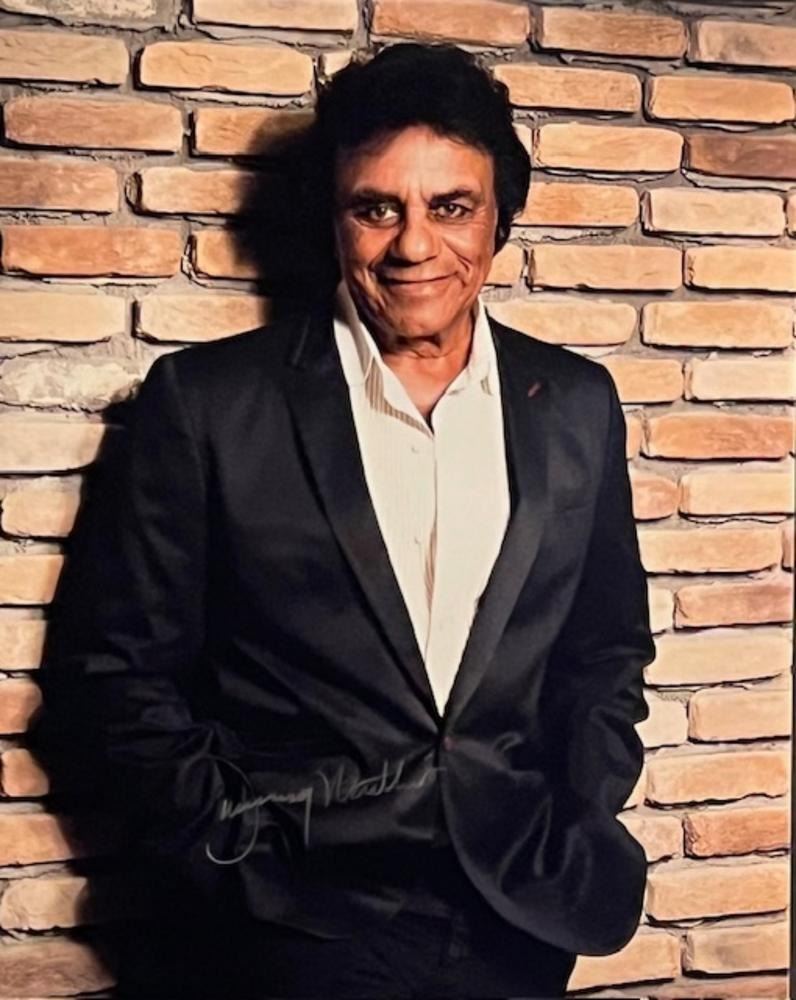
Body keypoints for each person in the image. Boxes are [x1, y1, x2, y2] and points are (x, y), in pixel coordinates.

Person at [30, 42, 655, 999]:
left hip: (519, 915)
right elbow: (114, 675)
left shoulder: (575, 401)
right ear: (333, 219)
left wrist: (578, 806)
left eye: (452, 207)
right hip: (291, 929)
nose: (414, 246)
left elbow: (606, 648)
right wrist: (231, 857)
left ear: (501, 220)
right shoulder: (208, 404)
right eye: (377, 208)